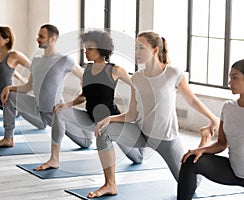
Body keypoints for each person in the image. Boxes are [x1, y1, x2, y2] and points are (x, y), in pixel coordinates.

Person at [88, 31, 220, 198]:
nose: (137, 52)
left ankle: (204, 140)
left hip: (167, 140)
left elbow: (192, 101)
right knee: (104, 133)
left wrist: (213, 118)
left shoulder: (173, 73)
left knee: (191, 186)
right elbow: (132, 115)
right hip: (142, 134)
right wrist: (108, 119)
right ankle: (110, 184)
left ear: (156, 50)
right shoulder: (136, 78)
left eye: (141, 48)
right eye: (136, 48)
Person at [33, 30, 144, 171]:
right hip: (90, 118)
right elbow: (85, 95)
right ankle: (54, 159)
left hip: (110, 122)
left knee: (137, 158)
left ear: (101, 49)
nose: (86, 52)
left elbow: (137, 87)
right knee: (60, 112)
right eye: (85, 49)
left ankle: (140, 145)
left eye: (90, 49)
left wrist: (134, 110)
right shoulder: (88, 69)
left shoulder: (114, 70)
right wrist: (66, 104)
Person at [0, 24, 87, 148]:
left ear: (53, 38)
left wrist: (76, 100)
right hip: (36, 108)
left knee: (86, 143)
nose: (37, 39)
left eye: (41, 36)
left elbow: (84, 78)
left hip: (55, 113)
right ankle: (8, 138)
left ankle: (84, 126)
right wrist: (9, 88)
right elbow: (27, 87)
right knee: (10, 97)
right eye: (38, 36)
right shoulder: (37, 60)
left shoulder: (64, 60)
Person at [177, 59, 244, 200]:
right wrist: (201, 150)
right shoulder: (228, 107)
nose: (230, 83)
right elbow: (221, 143)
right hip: (233, 171)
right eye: (229, 77)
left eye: (235, 77)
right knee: (190, 160)